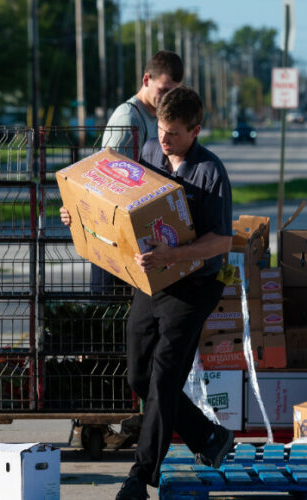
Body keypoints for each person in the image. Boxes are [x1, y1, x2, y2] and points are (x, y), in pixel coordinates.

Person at [119, 87, 233, 499]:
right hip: (153, 280)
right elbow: (125, 201)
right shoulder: (150, 152)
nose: (164, 140)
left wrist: (176, 255)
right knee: (139, 375)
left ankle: (139, 477)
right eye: (162, 130)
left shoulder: (210, 171)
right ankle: (208, 436)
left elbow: (221, 240)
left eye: (174, 133)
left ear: (196, 130)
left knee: (165, 379)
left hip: (195, 286)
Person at [86, 50, 184, 294]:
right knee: (108, 318)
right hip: (114, 239)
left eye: (174, 91)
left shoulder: (156, 118)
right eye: (163, 90)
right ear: (146, 80)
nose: (167, 98)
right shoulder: (128, 118)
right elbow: (109, 184)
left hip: (140, 236)